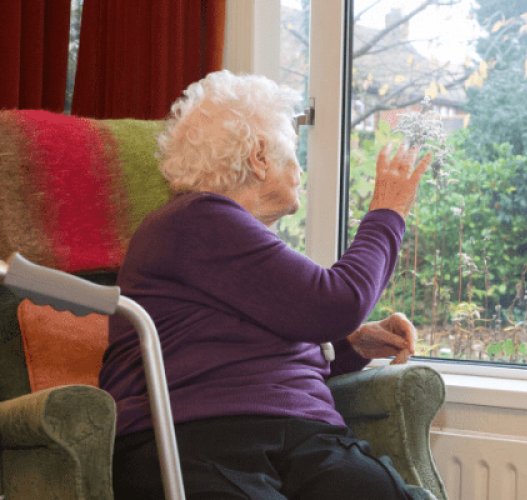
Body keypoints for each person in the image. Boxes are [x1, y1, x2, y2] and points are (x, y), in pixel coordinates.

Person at [99, 70, 435, 500]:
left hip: (303, 438)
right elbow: (337, 302)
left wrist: (352, 346)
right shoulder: (194, 220)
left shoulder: (235, 242)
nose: (299, 170)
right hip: (201, 440)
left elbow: (260, 351)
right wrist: (388, 212)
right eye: (293, 152)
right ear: (259, 156)